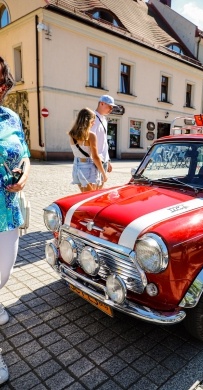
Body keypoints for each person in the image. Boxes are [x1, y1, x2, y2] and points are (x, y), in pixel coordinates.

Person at [0, 56, 31, 385]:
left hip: (6, 209)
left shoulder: (10, 117)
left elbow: (24, 153)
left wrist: (25, 174)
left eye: (1, 83)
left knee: (4, 273)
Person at [69, 108, 108, 192]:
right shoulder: (91, 136)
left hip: (76, 167)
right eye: (92, 121)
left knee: (84, 195)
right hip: (88, 167)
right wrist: (104, 174)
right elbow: (95, 157)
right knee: (91, 197)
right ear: (88, 121)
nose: (93, 123)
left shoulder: (72, 134)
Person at [90, 95, 117, 188]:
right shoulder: (92, 118)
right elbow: (90, 141)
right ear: (101, 103)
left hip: (103, 159)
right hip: (95, 161)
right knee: (93, 190)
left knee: (100, 188)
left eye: (112, 107)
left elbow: (104, 142)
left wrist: (108, 160)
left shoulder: (104, 120)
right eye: (110, 106)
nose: (111, 109)